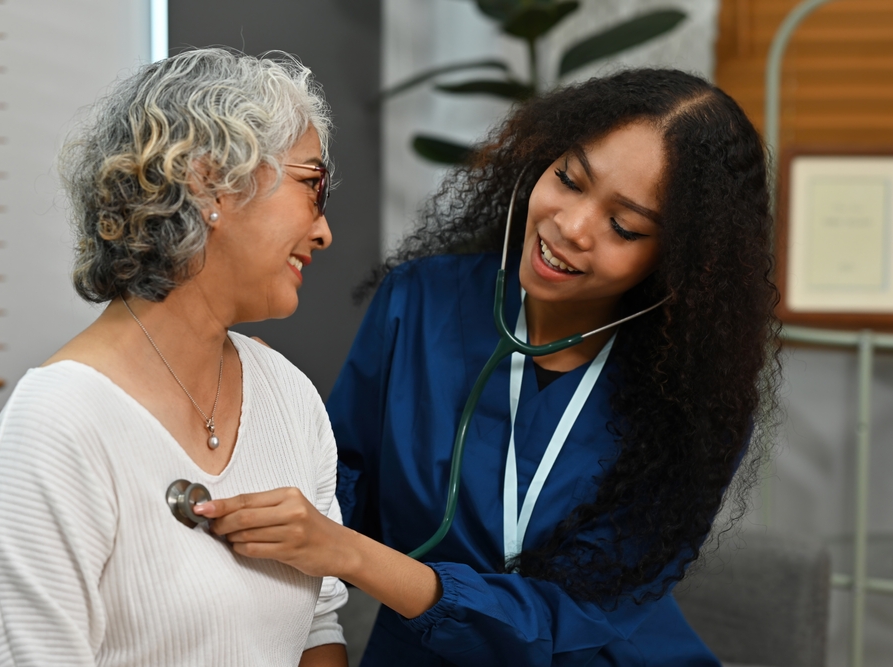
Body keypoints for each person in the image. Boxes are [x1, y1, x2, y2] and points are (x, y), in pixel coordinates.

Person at [196, 68, 778, 666]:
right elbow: (334, 488)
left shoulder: (691, 403)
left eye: (624, 226)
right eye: (568, 180)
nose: (571, 227)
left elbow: (571, 615)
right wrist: (265, 408)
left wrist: (348, 553)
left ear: (676, 262)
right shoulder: (420, 303)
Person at [0, 49, 350, 667]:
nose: (324, 230)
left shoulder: (291, 397)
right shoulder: (52, 429)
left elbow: (319, 627)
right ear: (207, 180)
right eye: (311, 184)